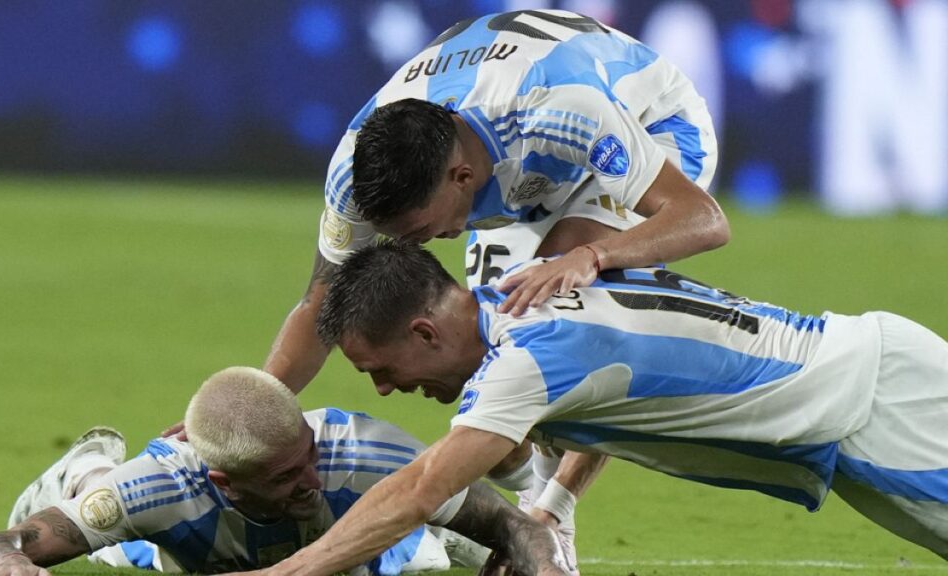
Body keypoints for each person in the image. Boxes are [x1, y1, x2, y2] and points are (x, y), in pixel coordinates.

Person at [265, 11, 729, 570]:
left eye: (420, 233)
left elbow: (702, 220)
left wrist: (591, 256)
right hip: (518, 165)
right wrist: (246, 420)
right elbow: (320, 307)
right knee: (479, 344)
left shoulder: (562, 111)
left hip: (648, 126)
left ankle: (551, 515)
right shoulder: (356, 175)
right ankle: (526, 497)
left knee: (560, 323)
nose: (414, 246)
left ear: (461, 179)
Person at [249, 240, 948, 575]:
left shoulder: (523, 362)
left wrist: (284, 575)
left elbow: (419, 490)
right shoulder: (521, 290)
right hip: (866, 382)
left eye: (381, 369)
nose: (383, 391)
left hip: (874, 408)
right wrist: (551, 506)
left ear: (426, 331)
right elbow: (615, 393)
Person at [0, 367, 569, 576]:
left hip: (350, 536)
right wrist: (9, 563)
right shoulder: (158, 489)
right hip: (189, 548)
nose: (310, 478)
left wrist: (538, 561)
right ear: (223, 481)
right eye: (284, 476)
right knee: (114, 541)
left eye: (308, 455)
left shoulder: (366, 455)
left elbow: (519, 526)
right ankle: (87, 468)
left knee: (428, 550)